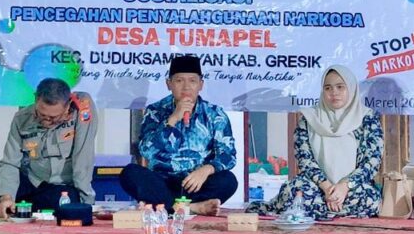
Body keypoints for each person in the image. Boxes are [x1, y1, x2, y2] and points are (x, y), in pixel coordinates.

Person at [248, 65, 382, 220]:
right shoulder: (309, 118)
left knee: (369, 198)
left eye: (340, 87)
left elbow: (371, 161)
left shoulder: (367, 118)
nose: (334, 92)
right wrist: (327, 187)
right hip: (317, 187)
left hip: (352, 188)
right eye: (328, 88)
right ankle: (334, 210)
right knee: (294, 190)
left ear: (351, 89)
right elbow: (304, 160)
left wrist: (345, 186)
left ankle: (313, 210)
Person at [119, 54, 237, 215]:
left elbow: (228, 155)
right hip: (162, 182)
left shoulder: (215, 114)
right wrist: (172, 119)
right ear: (169, 84)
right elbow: (146, 151)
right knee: (130, 173)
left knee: (228, 180)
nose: (186, 87)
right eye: (179, 81)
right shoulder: (155, 111)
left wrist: (206, 170)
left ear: (201, 85)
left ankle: (168, 207)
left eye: (192, 81)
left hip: (196, 184)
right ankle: (190, 208)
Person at [0, 78, 98, 217]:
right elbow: (10, 163)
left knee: (62, 205)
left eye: (53, 117)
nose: (46, 121)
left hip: (61, 186)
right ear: (36, 99)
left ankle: (21, 207)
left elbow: (83, 159)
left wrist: (86, 203)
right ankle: (16, 206)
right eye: (42, 115)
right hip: (30, 180)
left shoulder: (81, 110)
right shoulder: (21, 119)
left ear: (67, 106)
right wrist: (6, 197)